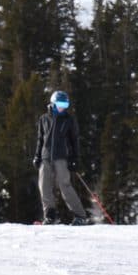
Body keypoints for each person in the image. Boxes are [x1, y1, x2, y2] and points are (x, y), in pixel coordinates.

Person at [33, 90, 89, 225]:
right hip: (45, 157)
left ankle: (80, 216)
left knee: (65, 185)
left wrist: (75, 158)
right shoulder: (44, 119)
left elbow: (74, 140)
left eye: (65, 104)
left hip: (62, 157)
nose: (62, 107)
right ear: (53, 103)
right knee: (44, 186)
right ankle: (50, 215)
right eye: (60, 103)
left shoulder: (69, 120)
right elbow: (40, 139)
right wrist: (37, 156)